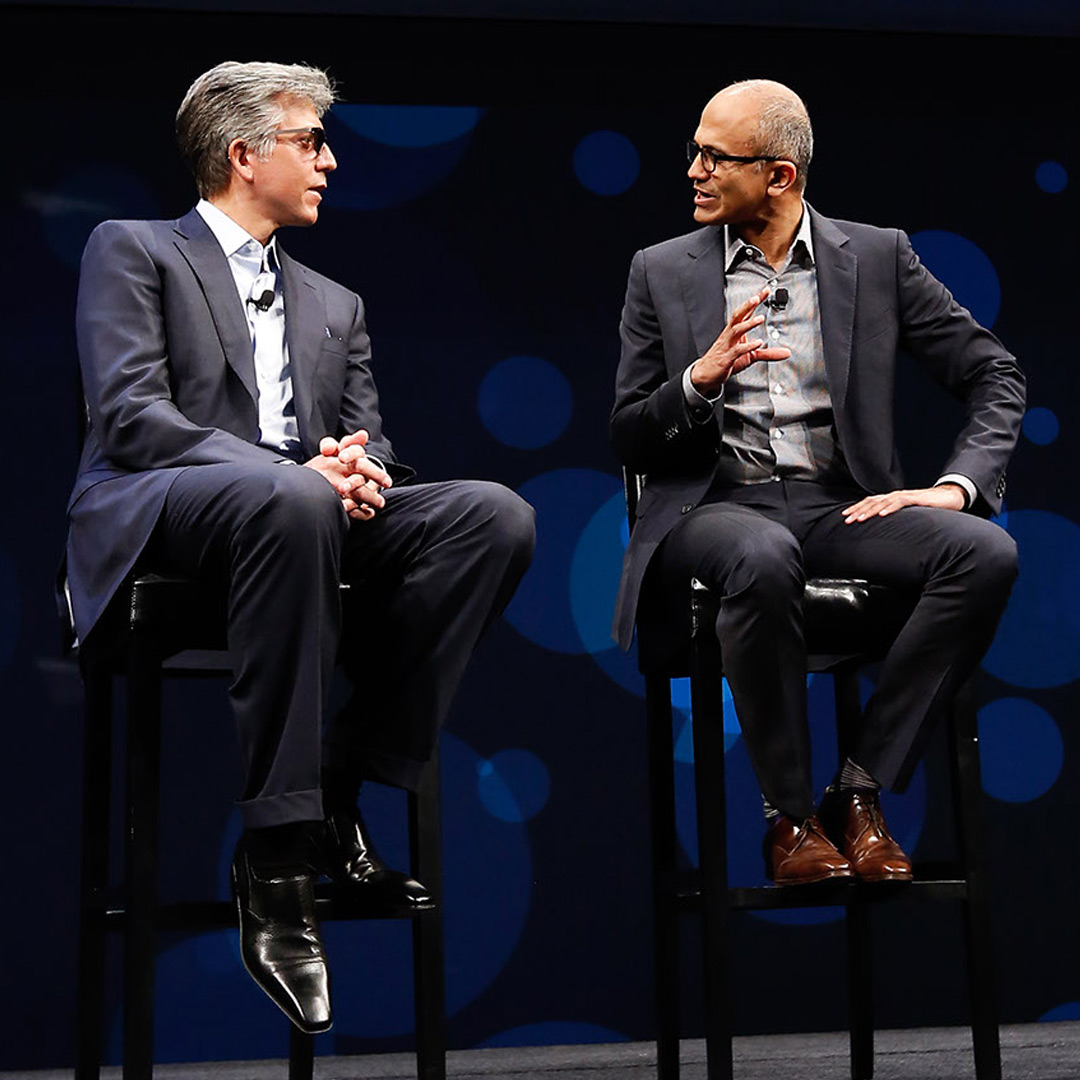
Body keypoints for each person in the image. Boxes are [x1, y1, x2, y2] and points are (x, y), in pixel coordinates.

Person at [66, 60, 535, 1032]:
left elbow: (371, 440)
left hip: (304, 515)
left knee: (494, 516)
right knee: (292, 501)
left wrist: (363, 473)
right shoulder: (136, 250)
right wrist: (290, 475)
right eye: (309, 140)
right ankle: (276, 862)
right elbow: (131, 417)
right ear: (243, 154)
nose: (328, 160)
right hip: (166, 509)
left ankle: (340, 780)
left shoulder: (337, 303)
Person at [611, 79, 1023, 888]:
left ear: (780, 176)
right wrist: (698, 379)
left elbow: (994, 375)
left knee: (984, 554)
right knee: (761, 553)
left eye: (713, 156)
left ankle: (858, 793)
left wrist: (956, 486)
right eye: (694, 150)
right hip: (716, 508)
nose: (692, 170)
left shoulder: (876, 256)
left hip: (843, 504)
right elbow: (627, 432)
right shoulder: (660, 271)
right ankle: (789, 819)